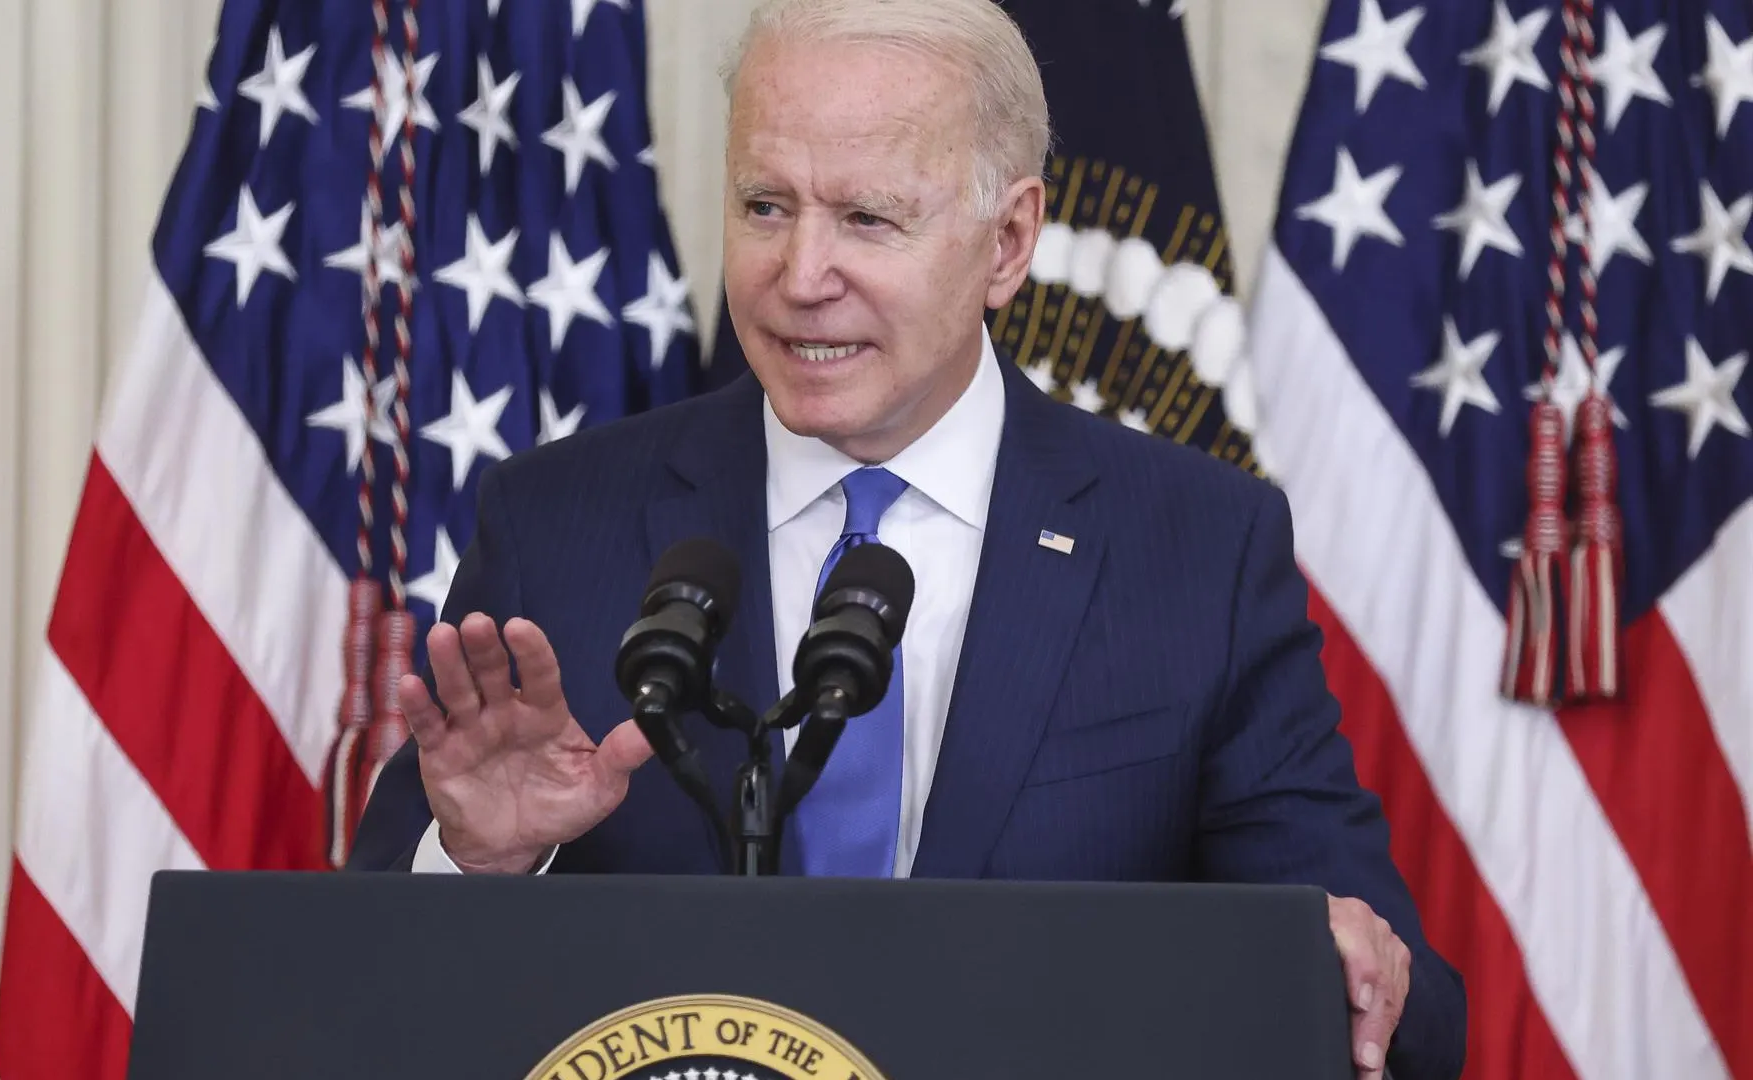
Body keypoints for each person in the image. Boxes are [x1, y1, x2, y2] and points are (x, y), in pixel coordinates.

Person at [348, 1, 1465, 1076]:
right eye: (765, 206)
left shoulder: (1195, 548)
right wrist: (477, 861)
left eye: (868, 218)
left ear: (1009, 240)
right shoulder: (559, 522)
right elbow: (354, 988)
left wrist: (1350, 973)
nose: (800, 277)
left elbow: (1407, 1014)